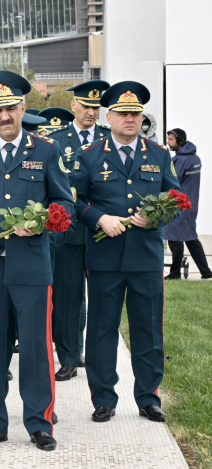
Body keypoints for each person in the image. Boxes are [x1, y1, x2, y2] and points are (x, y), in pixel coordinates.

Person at [0, 71, 72, 451]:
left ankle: (40, 423)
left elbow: (64, 203)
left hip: (31, 263)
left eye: (10, 108)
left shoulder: (45, 150)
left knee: (36, 345)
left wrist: (40, 223)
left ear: (23, 108)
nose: (5, 116)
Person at [73, 82, 181, 424]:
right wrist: (99, 218)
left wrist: (157, 214)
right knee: (102, 330)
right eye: (123, 114)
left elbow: (177, 199)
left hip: (145, 257)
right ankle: (103, 398)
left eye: (135, 114)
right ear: (110, 117)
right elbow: (73, 199)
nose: (130, 119)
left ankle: (149, 398)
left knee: (148, 328)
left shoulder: (160, 154)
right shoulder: (89, 156)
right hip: (104, 258)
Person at [43, 83, 111, 382]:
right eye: (85, 106)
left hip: (102, 231)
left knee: (101, 296)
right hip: (69, 232)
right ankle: (69, 356)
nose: (91, 112)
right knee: (69, 297)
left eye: (96, 107)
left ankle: (93, 352)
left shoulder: (110, 140)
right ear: (73, 106)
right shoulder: (56, 142)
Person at [165, 127, 209, 279]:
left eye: (171, 139)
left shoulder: (180, 160)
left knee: (174, 236)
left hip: (179, 206)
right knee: (190, 237)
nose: (168, 142)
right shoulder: (195, 158)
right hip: (191, 204)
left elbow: (172, 182)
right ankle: (206, 272)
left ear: (180, 141)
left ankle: (175, 273)